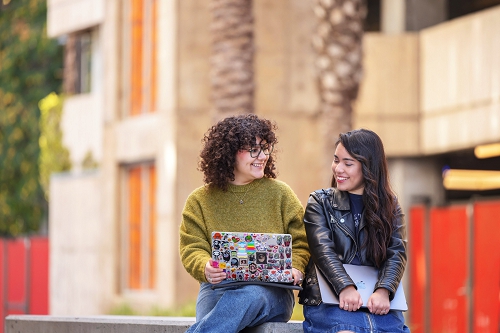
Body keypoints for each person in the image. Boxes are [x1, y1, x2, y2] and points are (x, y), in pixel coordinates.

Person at [179, 114, 309, 333]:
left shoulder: (281, 194)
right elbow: (192, 247)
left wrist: (296, 267)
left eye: (265, 148)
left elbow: (302, 241)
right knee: (223, 316)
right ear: (229, 153)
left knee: (249, 295)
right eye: (253, 149)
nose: (262, 156)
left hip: (271, 292)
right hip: (217, 289)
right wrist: (205, 266)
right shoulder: (199, 200)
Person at [298, 129, 410, 333]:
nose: (338, 169)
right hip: (331, 301)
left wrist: (384, 290)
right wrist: (345, 287)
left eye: (348, 164)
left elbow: (397, 252)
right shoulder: (320, 202)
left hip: (377, 303)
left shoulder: (391, 205)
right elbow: (323, 252)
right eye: (336, 160)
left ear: (369, 168)